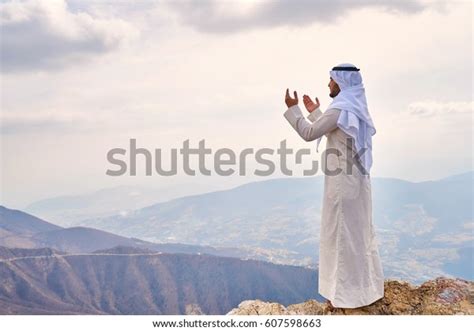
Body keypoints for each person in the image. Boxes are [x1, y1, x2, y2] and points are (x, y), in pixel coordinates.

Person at [282, 63, 384, 308]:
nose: (328, 84)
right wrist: (316, 112)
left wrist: (293, 109)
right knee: (358, 237)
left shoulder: (340, 108)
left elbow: (309, 133)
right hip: (357, 184)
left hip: (341, 187)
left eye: (331, 80)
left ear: (340, 81)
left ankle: (342, 296)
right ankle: (363, 291)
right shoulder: (354, 107)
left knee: (339, 238)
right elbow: (336, 131)